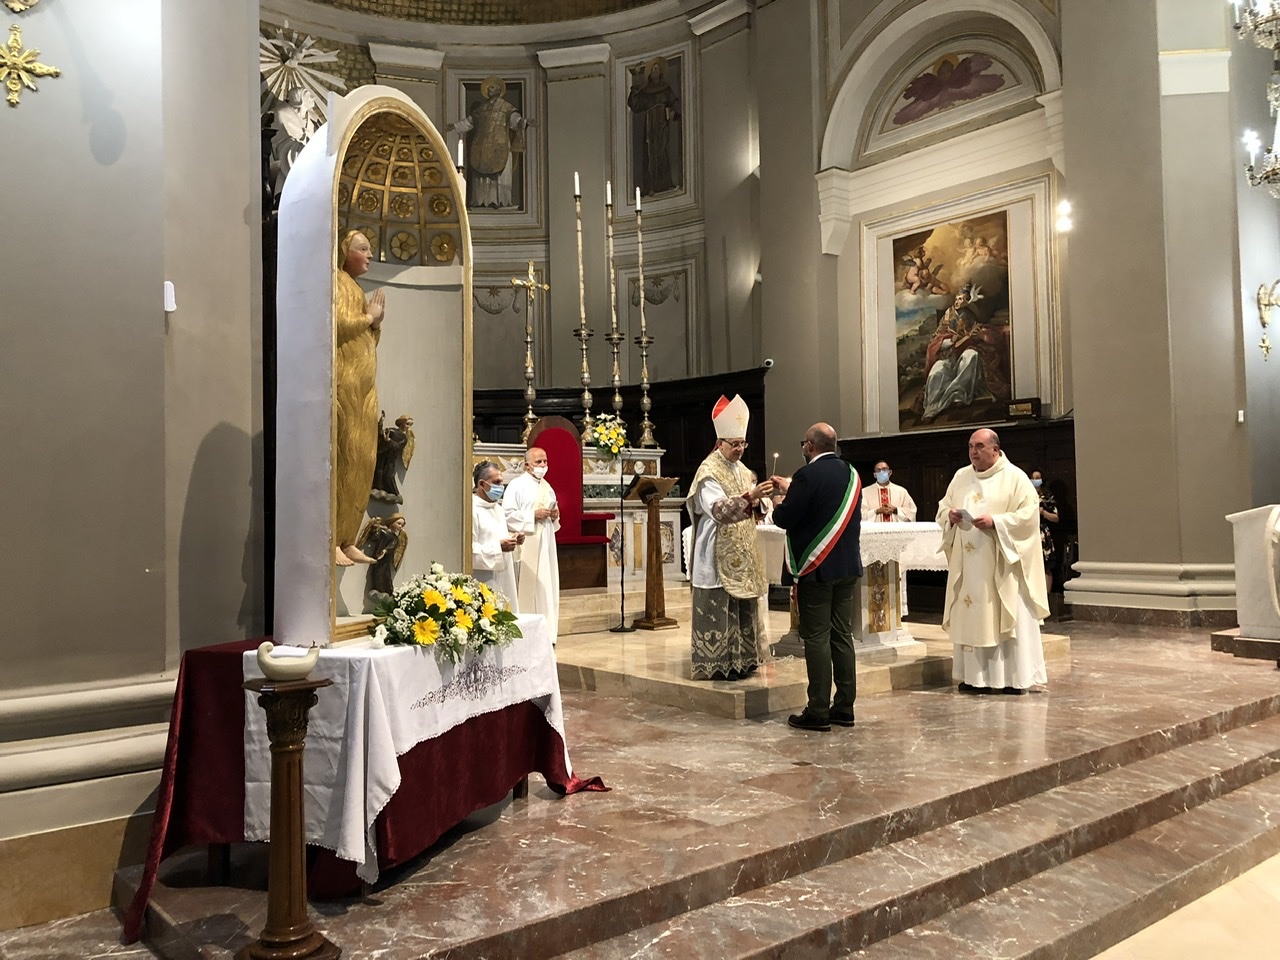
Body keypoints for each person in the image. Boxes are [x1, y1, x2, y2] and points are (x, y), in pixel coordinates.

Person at [937, 428, 1049, 694]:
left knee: (1002, 615)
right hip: (969, 566)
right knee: (972, 613)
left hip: (1002, 565)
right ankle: (975, 677)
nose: (973, 452)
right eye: (970, 447)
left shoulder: (1015, 478)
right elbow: (943, 506)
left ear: (995, 450)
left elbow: (1029, 517)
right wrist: (949, 516)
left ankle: (1012, 678)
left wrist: (996, 522)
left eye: (979, 446)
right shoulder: (961, 477)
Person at [770, 423, 864, 731]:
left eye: (803, 443)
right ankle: (845, 707)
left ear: (810, 446)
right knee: (842, 636)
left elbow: (786, 517)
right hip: (846, 567)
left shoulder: (806, 475)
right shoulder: (852, 473)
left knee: (817, 639)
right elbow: (823, 502)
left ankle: (819, 710)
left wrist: (778, 502)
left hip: (817, 568)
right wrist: (792, 487)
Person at [685, 395, 774, 681]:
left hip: (743, 550)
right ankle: (718, 664)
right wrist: (750, 497)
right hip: (716, 551)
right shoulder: (708, 471)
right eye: (734, 444)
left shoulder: (743, 470)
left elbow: (755, 506)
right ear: (720, 443)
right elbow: (718, 510)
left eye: (743, 444)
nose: (739, 449)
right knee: (720, 607)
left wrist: (761, 501)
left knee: (743, 606)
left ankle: (744, 660)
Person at [333, 229, 385, 566]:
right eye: (362, 249)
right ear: (343, 251)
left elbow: (365, 341)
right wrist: (369, 317)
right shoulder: (337, 282)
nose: (369, 255)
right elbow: (336, 325)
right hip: (347, 386)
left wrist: (375, 326)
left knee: (364, 460)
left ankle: (348, 536)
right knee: (346, 456)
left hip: (364, 386)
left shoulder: (355, 287)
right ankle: (333, 537)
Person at [503, 446, 560, 645]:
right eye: (538, 462)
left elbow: (554, 515)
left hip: (546, 544)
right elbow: (507, 514)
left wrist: (554, 515)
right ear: (527, 465)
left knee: (547, 587)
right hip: (527, 543)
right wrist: (532, 515)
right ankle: (528, 633)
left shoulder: (547, 487)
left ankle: (548, 633)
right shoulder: (516, 486)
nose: (543, 465)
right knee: (531, 589)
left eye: (545, 461)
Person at [920, 282, 998, 423]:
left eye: (961, 299)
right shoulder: (947, 317)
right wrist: (949, 341)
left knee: (971, 356)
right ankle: (932, 407)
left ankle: (958, 395)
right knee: (937, 371)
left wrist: (978, 336)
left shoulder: (970, 316)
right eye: (956, 298)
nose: (957, 301)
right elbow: (935, 340)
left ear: (967, 300)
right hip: (948, 356)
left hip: (965, 352)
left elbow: (982, 332)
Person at [452, 76, 531, 209]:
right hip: (482, 146)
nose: (489, 89)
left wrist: (523, 122)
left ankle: (500, 201)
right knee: (481, 175)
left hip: (500, 145)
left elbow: (515, 120)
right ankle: (482, 201)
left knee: (500, 176)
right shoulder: (481, 109)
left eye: (492, 87)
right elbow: (469, 122)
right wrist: (454, 126)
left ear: (499, 90)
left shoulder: (506, 107)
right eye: (488, 87)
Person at [471, 460, 521, 611]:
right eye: (496, 482)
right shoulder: (471, 510)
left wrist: (514, 539)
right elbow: (469, 550)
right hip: (484, 580)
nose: (501, 487)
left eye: (501, 482)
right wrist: (499, 547)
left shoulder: (498, 509)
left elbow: (496, 536)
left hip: (505, 577)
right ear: (482, 484)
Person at [627, 56, 680, 196]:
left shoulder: (666, 89)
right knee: (650, 155)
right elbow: (635, 104)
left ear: (661, 71)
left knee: (662, 152)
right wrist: (636, 81)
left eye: (656, 69)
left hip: (662, 124)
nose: (654, 71)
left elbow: (674, 102)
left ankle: (664, 183)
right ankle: (650, 186)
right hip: (650, 125)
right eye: (652, 69)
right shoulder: (646, 91)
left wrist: (673, 111)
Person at [356, 514, 407, 604]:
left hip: (386, 560)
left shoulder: (395, 538)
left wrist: (385, 551)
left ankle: (387, 591)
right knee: (377, 574)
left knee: (386, 576)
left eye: (402, 525)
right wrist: (374, 528)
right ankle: (377, 589)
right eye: (398, 523)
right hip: (378, 557)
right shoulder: (383, 532)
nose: (400, 526)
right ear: (392, 521)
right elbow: (374, 537)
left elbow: (392, 546)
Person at [1030, 468, 1061, 618]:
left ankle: (1047, 598)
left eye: (1038, 478)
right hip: (1029, 532)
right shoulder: (1026, 494)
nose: (1036, 480)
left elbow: (1056, 517)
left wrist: (1043, 512)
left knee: (1046, 565)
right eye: (1033, 478)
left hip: (1042, 533)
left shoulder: (1047, 497)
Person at [371, 413, 415, 504]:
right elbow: (380, 434)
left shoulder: (404, 439)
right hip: (383, 453)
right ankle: (378, 489)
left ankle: (395, 494)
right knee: (379, 471)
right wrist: (381, 422)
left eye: (410, 425)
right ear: (401, 423)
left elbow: (398, 447)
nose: (408, 427)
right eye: (407, 424)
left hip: (390, 457)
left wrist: (389, 441)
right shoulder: (392, 431)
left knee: (389, 475)